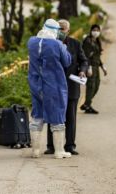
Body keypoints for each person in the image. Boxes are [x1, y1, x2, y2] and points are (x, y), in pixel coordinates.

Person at [28, 19, 72, 159]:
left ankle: (35, 151)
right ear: (55, 31)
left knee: (37, 116)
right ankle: (59, 151)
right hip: (54, 85)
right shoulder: (57, 44)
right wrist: (64, 48)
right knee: (57, 116)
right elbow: (67, 62)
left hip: (36, 84)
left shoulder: (32, 42)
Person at [45, 19, 88, 156]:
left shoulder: (75, 44)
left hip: (71, 86)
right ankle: (51, 146)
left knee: (70, 117)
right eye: (59, 28)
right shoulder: (49, 44)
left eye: (63, 29)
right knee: (53, 116)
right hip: (54, 86)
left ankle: (69, 145)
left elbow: (84, 61)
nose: (61, 31)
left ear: (68, 31)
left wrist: (82, 70)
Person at [81, 24, 107, 114]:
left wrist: (102, 66)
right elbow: (86, 56)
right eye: (94, 30)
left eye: (97, 30)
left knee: (96, 86)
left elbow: (97, 56)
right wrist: (88, 67)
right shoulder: (88, 41)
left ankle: (87, 104)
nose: (96, 32)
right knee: (91, 86)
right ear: (91, 31)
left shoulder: (96, 41)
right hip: (90, 67)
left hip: (96, 66)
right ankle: (87, 105)